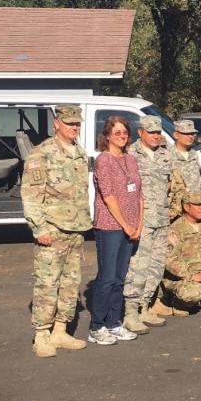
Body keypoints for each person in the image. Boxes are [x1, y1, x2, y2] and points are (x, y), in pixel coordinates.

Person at [22, 105, 93, 357]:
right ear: (57, 124)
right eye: (69, 123)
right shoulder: (43, 153)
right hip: (52, 229)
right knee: (47, 283)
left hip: (75, 229)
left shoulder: (79, 153)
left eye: (77, 124)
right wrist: (39, 228)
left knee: (70, 283)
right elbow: (31, 195)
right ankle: (41, 334)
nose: (74, 127)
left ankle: (60, 330)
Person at [88, 116, 143, 346]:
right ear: (108, 135)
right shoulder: (104, 160)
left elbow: (139, 192)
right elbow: (109, 197)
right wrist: (126, 224)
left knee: (120, 278)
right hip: (110, 227)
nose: (122, 136)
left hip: (131, 228)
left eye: (125, 132)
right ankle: (97, 326)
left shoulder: (130, 159)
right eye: (118, 132)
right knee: (107, 278)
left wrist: (139, 224)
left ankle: (113, 322)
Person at [123, 115, 173, 334]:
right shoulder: (131, 155)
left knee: (156, 264)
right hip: (142, 219)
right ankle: (130, 312)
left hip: (161, 218)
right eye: (151, 132)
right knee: (139, 265)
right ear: (140, 132)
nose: (155, 136)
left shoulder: (164, 154)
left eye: (157, 132)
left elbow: (170, 183)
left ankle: (145, 305)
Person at [161, 191, 201, 314]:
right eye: (198, 205)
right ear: (186, 207)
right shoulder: (176, 229)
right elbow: (169, 260)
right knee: (194, 293)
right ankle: (177, 302)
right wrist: (192, 276)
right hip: (182, 277)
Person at [168, 119, 201, 220]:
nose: (191, 136)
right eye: (186, 133)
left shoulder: (194, 154)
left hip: (195, 208)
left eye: (192, 133)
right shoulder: (168, 155)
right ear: (176, 135)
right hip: (177, 210)